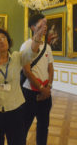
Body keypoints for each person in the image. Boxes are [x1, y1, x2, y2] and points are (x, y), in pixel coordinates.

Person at [0, 27, 43, 145]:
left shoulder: (17, 57)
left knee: (17, 141)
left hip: (15, 110)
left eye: (3, 38)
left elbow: (31, 53)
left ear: (8, 41)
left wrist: (37, 38)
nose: (1, 41)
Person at [20, 13, 54, 145]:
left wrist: (48, 87)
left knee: (43, 126)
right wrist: (41, 89)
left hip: (46, 91)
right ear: (33, 27)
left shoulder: (48, 47)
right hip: (29, 92)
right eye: (41, 24)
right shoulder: (26, 45)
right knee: (24, 125)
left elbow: (50, 68)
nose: (45, 27)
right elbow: (26, 71)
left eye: (46, 24)